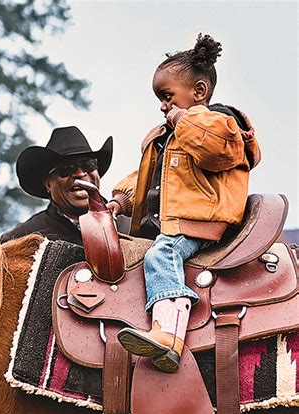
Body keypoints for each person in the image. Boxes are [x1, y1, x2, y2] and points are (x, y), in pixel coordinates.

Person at [110, 34, 261, 372]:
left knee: (162, 254)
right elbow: (149, 179)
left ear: (199, 92)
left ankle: (168, 333)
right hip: (173, 221)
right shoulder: (170, 136)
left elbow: (217, 150)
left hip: (199, 220)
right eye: (160, 100)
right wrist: (121, 200)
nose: (164, 106)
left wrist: (182, 120)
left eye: (167, 97)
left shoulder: (220, 123)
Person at [0, 126, 112, 246]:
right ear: (48, 183)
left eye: (88, 164)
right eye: (66, 168)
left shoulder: (127, 225)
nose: (80, 173)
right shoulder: (23, 239)